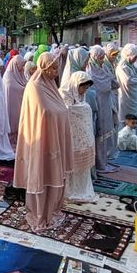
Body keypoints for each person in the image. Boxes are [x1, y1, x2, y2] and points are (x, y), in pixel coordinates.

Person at [14, 52, 74, 232]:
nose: (56, 72)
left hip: (54, 138)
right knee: (41, 173)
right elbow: (43, 112)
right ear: (44, 67)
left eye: (57, 68)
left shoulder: (51, 86)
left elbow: (59, 109)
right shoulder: (34, 86)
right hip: (41, 141)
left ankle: (52, 210)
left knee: (54, 175)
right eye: (53, 68)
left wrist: (60, 113)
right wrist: (59, 113)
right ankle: (40, 214)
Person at [60, 71, 97, 203]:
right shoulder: (63, 95)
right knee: (70, 165)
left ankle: (81, 189)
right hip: (68, 138)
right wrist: (80, 109)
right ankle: (69, 191)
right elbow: (65, 112)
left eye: (86, 88)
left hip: (81, 140)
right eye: (83, 88)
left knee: (80, 166)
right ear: (75, 84)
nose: (83, 91)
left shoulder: (82, 99)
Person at [86, 46, 119, 172]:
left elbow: (112, 82)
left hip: (106, 104)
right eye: (99, 58)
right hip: (97, 105)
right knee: (98, 133)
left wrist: (110, 84)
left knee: (105, 133)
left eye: (102, 57)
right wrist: (109, 84)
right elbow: (101, 86)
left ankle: (104, 161)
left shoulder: (103, 67)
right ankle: (99, 163)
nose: (101, 60)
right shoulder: (90, 71)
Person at [116, 44, 137, 138]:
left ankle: (134, 140)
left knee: (134, 118)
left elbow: (136, 76)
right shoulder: (122, 66)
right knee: (127, 118)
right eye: (134, 57)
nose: (135, 59)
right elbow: (128, 81)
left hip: (134, 96)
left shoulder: (131, 66)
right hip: (126, 97)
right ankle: (126, 141)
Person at [3, 54, 28, 147]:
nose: (22, 67)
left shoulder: (19, 74)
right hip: (12, 106)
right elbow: (14, 88)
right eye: (21, 65)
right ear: (16, 65)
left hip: (20, 105)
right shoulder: (8, 78)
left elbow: (24, 83)